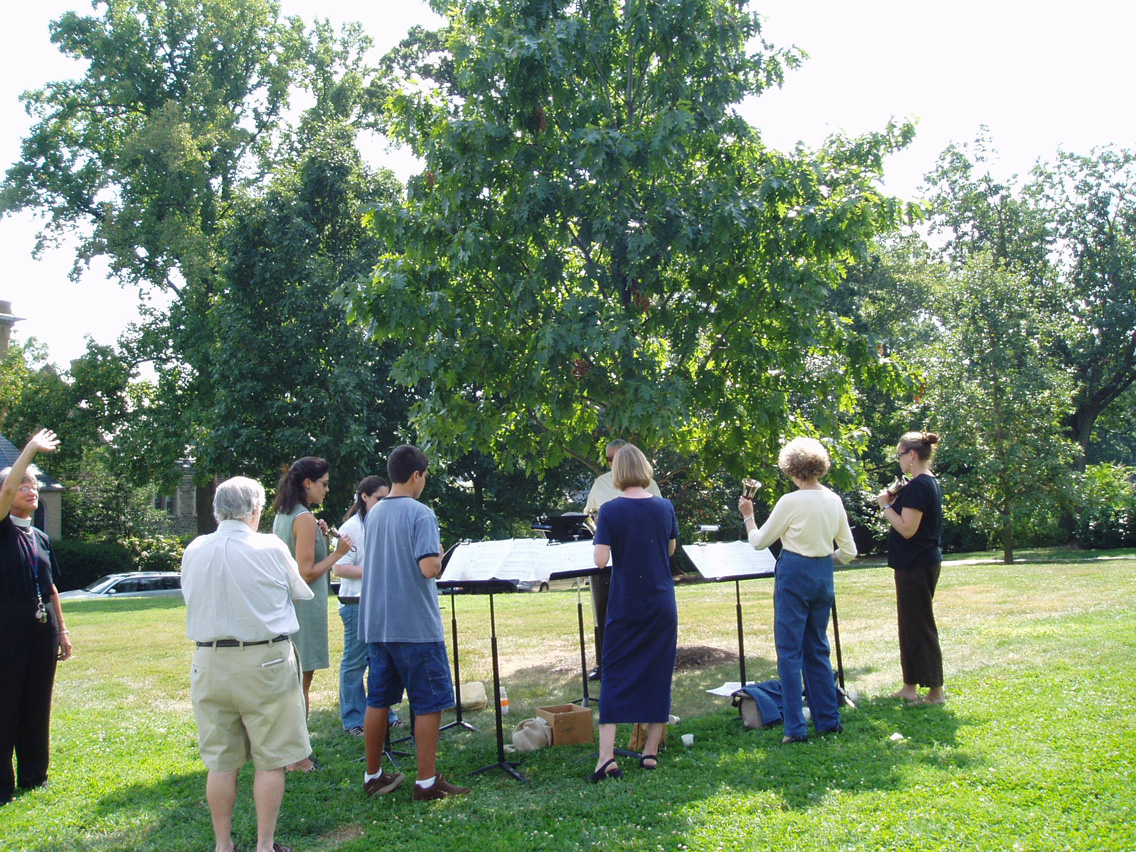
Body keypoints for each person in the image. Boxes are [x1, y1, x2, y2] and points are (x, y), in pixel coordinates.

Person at [181, 476, 313, 852]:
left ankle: (223, 845)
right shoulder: (269, 546)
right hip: (264, 660)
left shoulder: (194, 548)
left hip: (208, 660)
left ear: (216, 510)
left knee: (221, 761)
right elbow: (298, 590)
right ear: (255, 511)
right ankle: (264, 845)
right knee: (270, 758)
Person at [359, 445, 470, 801]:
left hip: (378, 623)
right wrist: (438, 553)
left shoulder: (374, 513)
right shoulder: (422, 513)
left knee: (378, 700)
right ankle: (426, 782)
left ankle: (373, 774)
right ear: (416, 475)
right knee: (429, 701)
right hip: (416, 626)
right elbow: (428, 568)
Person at [738, 437, 857, 744]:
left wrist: (749, 516)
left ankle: (795, 728)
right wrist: (827, 558)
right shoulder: (834, 500)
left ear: (790, 468)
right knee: (817, 647)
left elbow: (760, 541)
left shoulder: (790, 501)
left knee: (789, 652)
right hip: (822, 574)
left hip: (794, 573)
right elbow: (849, 551)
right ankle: (828, 719)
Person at [589, 443, 678, 781]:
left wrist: (601, 533)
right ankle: (651, 751)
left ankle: (606, 757)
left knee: (614, 672)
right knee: (659, 670)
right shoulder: (665, 506)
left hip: (627, 603)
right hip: (661, 601)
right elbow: (669, 548)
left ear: (617, 473)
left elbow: (600, 560)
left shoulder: (610, 511)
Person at [0, 429, 71, 806]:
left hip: (41, 630)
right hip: (6, 628)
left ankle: (33, 774)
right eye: (23, 485)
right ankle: (2, 785)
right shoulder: (2, 529)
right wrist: (30, 450)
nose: (30, 490)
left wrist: (63, 631)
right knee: (5, 702)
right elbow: (6, 490)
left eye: (35, 486)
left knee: (36, 701)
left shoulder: (39, 537)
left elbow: (51, 588)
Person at [271, 456, 353, 771]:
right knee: (299, 686)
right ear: (308, 483)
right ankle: (298, 758)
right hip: (303, 608)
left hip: (289, 606)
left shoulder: (287, 513)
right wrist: (337, 554)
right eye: (324, 483)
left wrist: (319, 535)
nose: (327, 489)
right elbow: (306, 572)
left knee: (292, 684)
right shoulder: (302, 517)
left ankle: (289, 751)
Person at [876, 431, 946, 705]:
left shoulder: (919, 486)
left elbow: (907, 529)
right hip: (913, 562)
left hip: (918, 562)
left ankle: (936, 691)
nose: (899, 461)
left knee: (920, 624)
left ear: (912, 455)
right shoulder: (922, 483)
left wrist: (885, 506)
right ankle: (910, 685)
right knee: (908, 624)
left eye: (900, 455)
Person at [583, 438, 663, 680]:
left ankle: (641, 662)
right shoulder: (600, 484)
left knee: (641, 614)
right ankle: (606, 664)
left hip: (640, 560)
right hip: (608, 559)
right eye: (608, 459)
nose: (611, 463)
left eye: (615, 458)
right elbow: (588, 517)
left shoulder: (651, 485)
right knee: (604, 612)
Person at [332, 475, 400, 735]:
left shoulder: (383, 521)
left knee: (382, 661)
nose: (383, 503)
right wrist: (374, 571)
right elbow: (339, 567)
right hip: (357, 604)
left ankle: (386, 712)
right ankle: (353, 720)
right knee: (355, 663)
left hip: (382, 602)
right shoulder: (351, 527)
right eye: (378, 499)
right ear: (364, 497)